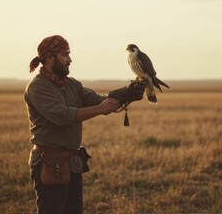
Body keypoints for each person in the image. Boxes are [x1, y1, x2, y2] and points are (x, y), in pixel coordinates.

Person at [24, 35, 145, 214]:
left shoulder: (71, 84)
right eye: (65, 55)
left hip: (72, 162)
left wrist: (127, 93)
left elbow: (100, 100)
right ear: (49, 58)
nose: (70, 60)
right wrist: (98, 109)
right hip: (50, 163)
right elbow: (62, 116)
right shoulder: (37, 87)